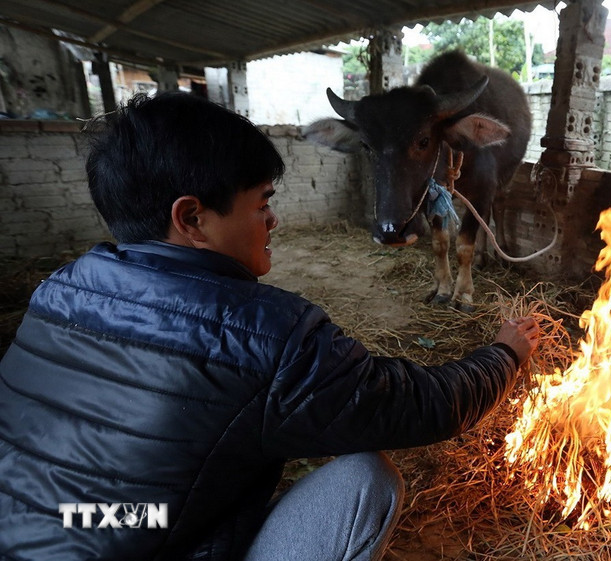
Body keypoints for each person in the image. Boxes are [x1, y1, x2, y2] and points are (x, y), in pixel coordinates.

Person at [0, 92, 540, 561]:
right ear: (192, 218)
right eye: (262, 204)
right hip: (148, 540)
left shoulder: (59, 288)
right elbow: (423, 405)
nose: (273, 220)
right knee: (366, 479)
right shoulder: (263, 333)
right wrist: (505, 353)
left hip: (43, 529)